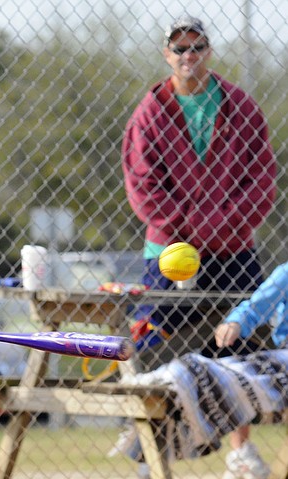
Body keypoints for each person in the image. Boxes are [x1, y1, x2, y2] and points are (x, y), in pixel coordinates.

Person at [121, 16, 277, 357]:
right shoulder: (151, 113)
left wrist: (220, 223)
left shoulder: (241, 107)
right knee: (158, 350)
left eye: (197, 48)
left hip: (232, 249)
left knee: (244, 347)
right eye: (180, 49)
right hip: (171, 250)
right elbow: (142, 185)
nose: (188, 56)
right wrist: (190, 225)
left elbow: (262, 181)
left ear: (209, 52)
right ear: (167, 54)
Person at [211, 262, 288, 479]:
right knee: (235, 369)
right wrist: (235, 323)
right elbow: (255, 308)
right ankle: (241, 454)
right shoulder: (286, 273)